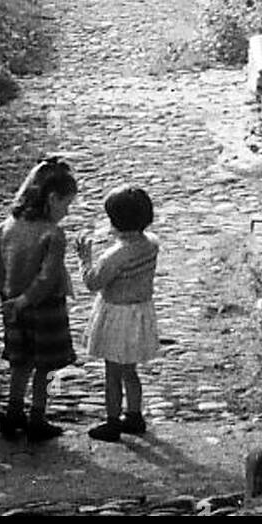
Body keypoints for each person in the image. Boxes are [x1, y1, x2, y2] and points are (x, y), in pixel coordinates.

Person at [0, 156, 78, 442]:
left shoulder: (5, 227)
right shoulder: (53, 234)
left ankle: (13, 414)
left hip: (12, 308)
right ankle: (38, 416)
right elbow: (48, 277)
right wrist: (27, 298)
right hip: (45, 309)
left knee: (19, 363)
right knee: (45, 368)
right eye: (66, 204)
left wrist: (7, 294)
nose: (67, 211)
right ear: (52, 198)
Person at [77, 185, 160, 443]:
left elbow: (93, 282)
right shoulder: (151, 244)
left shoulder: (115, 255)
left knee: (112, 372)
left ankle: (112, 421)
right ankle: (134, 415)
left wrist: (84, 259)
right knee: (129, 370)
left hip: (117, 315)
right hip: (140, 312)